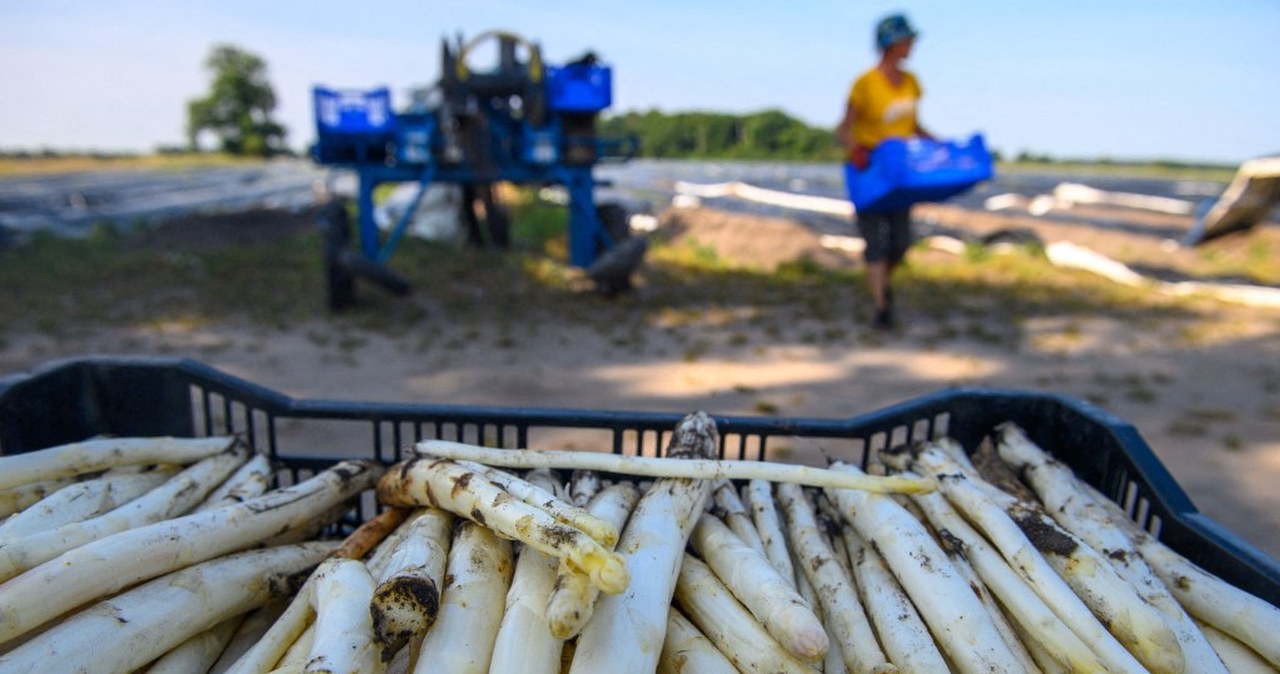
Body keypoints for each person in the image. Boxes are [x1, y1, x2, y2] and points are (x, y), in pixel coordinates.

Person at [836, 12, 934, 330]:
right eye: (908, 40)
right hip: (870, 169)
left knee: (900, 241)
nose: (912, 46)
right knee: (875, 240)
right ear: (891, 43)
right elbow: (844, 128)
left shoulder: (912, 82)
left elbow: (913, 126)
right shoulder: (865, 84)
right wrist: (855, 150)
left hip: (901, 172)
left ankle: (882, 283)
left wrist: (941, 147)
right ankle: (881, 307)